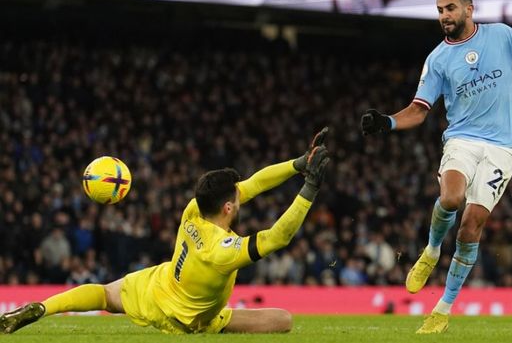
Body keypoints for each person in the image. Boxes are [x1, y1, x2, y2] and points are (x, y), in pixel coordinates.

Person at [360, 0, 512, 334]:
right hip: (462, 141)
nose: (444, 16)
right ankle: (432, 250)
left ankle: (442, 309)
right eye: (440, 10)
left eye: (450, 8)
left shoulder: (500, 35)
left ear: (469, 9)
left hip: (502, 149)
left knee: (471, 227)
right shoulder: (437, 59)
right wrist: (388, 122)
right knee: (451, 198)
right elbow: (419, 109)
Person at [0, 128, 331, 335]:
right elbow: (278, 237)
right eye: (237, 198)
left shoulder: (193, 208)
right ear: (228, 208)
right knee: (284, 320)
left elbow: (256, 183)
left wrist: (298, 164)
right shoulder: (222, 250)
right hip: (192, 320)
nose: (241, 197)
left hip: (157, 287)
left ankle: (42, 308)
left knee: (103, 294)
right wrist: (310, 187)